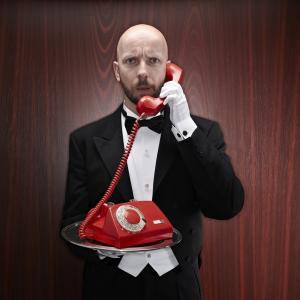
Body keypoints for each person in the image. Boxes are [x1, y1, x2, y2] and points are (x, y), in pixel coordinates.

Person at [61, 24, 244, 300]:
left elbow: (226, 205)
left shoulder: (202, 133)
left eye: (154, 60)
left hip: (179, 289)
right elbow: (74, 222)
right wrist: (102, 245)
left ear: (169, 69)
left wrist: (184, 126)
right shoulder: (84, 140)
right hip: (108, 287)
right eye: (132, 61)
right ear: (116, 70)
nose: (143, 71)